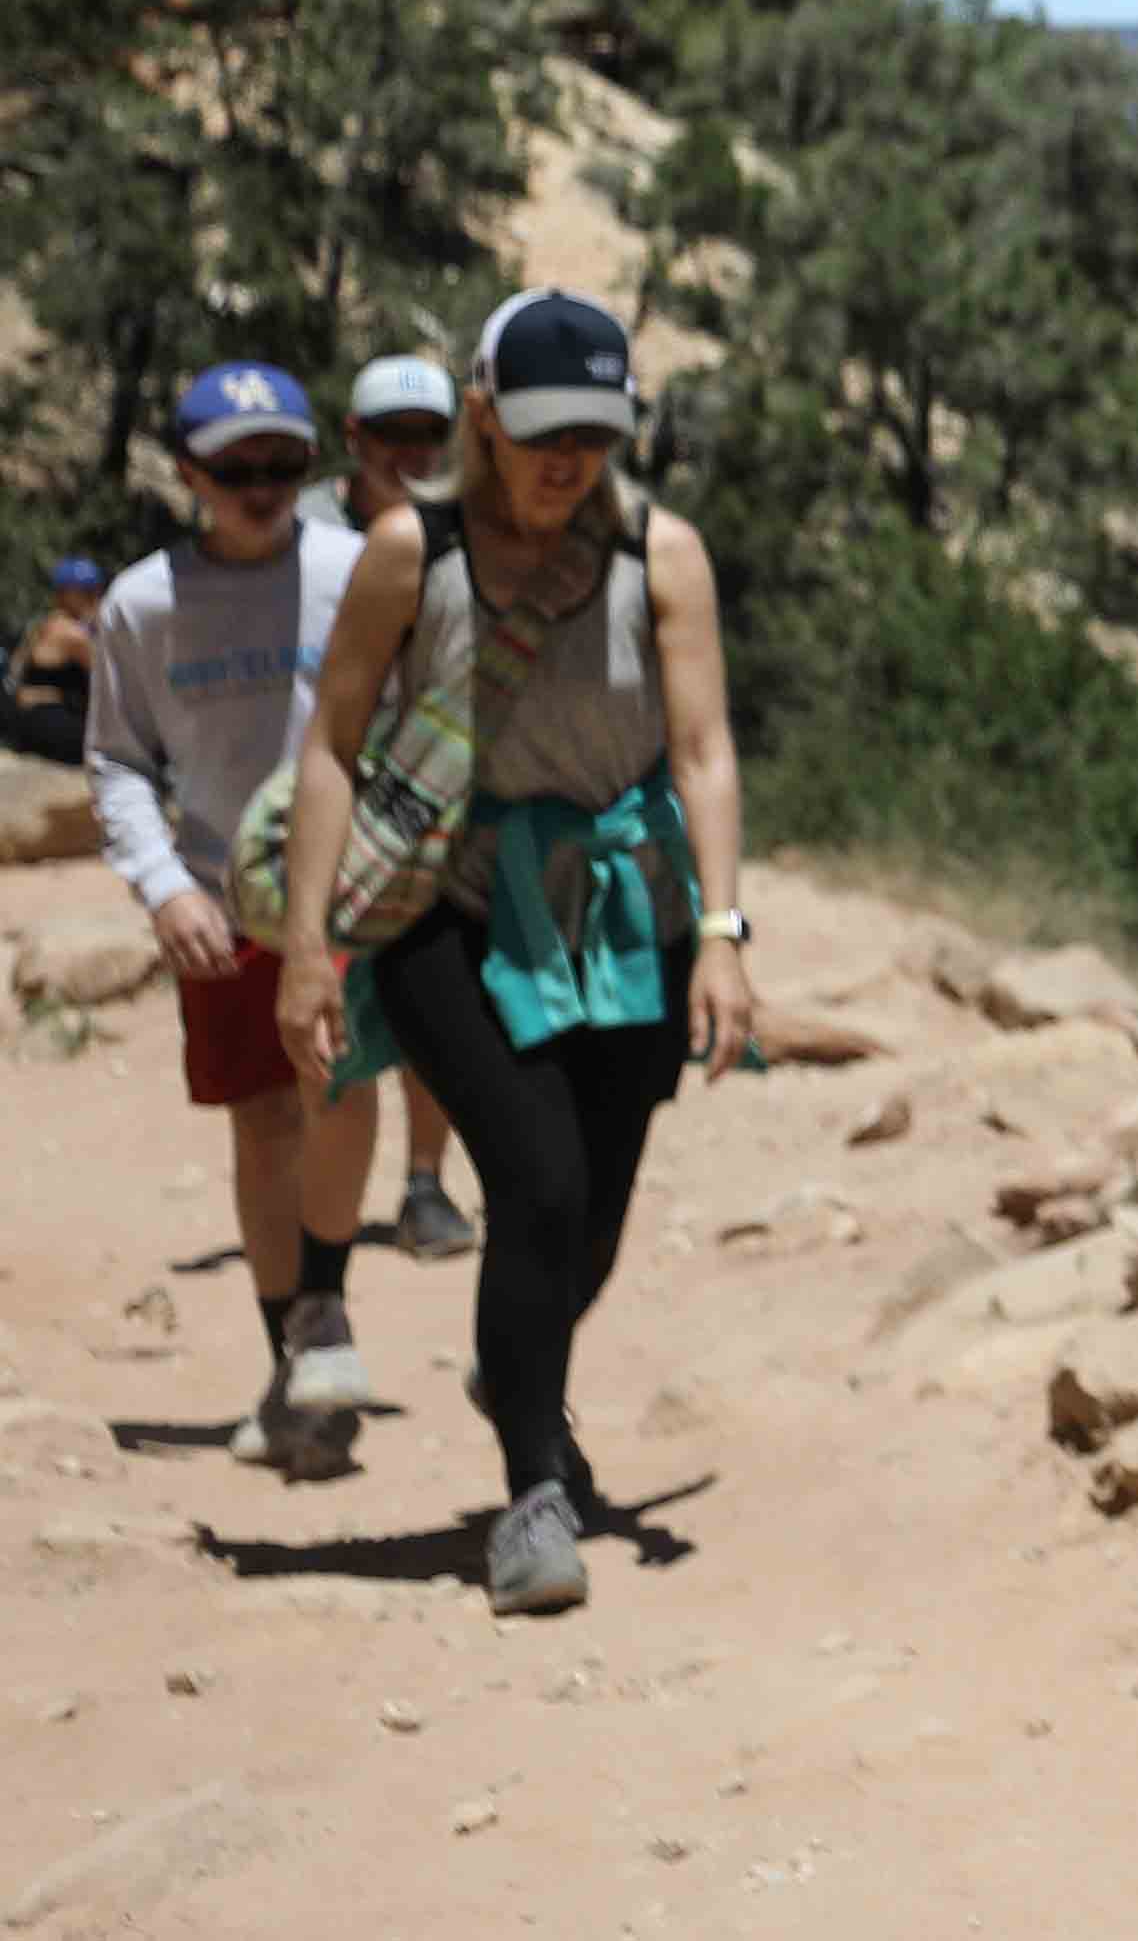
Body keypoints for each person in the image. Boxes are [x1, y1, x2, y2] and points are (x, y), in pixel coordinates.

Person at [278, 290, 759, 1618]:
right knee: (538, 1179)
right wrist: (308, 947)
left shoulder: (663, 556)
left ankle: (521, 1360)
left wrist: (721, 933)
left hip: (627, 914)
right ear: (482, 416)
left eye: (594, 436)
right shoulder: (406, 551)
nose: (569, 461)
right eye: (545, 432)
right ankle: (533, 1489)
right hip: (455, 904)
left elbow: (707, 750)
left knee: (589, 1217)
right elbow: (328, 748)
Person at [79, 364, 385, 1475]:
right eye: (235, 467)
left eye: (283, 464)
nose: (260, 487)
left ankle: (329, 1301)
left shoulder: (355, 572)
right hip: (218, 895)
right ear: (188, 473)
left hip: (346, 892)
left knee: (340, 1088)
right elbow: (117, 759)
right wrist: (163, 884)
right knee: (262, 1121)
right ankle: (292, 1350)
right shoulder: (142, 604)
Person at [331, 352, 482, 1264]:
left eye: (431, 437)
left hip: (433, 793)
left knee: (436, 993)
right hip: (330, 786)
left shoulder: (474, 533)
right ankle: (319, 1204)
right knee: (333, 998)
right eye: (395, 439)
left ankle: (425, 1182)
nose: (415, 454)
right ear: (356, 440)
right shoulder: (309, 533)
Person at [7, 555, 96, 766]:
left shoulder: (40, 626)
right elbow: (107, 679)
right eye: (86, 592)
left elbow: (15, 675)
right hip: (54, 725)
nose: (94, 598)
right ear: (65, 595)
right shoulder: (74, 634)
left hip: (23, 722)